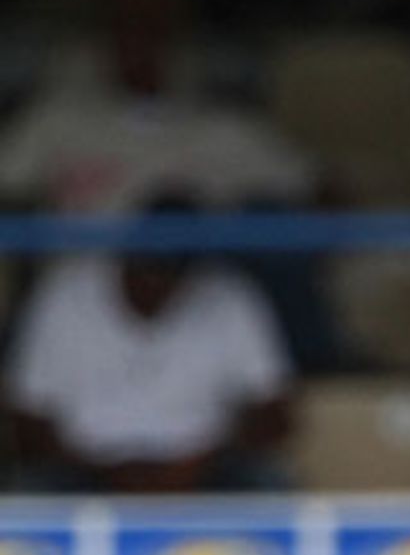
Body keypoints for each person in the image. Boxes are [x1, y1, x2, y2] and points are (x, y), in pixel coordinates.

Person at [2, 192, 294, 493]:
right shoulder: (65, 293)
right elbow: (27, 420)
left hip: (203, 468)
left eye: (171, 273)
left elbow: (274, 415)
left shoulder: (231, 295)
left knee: (265, 484)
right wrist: (106, 472)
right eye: (147, 269)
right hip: (85, 470)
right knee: (32, 491)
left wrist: (195, 465)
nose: (156, 283)